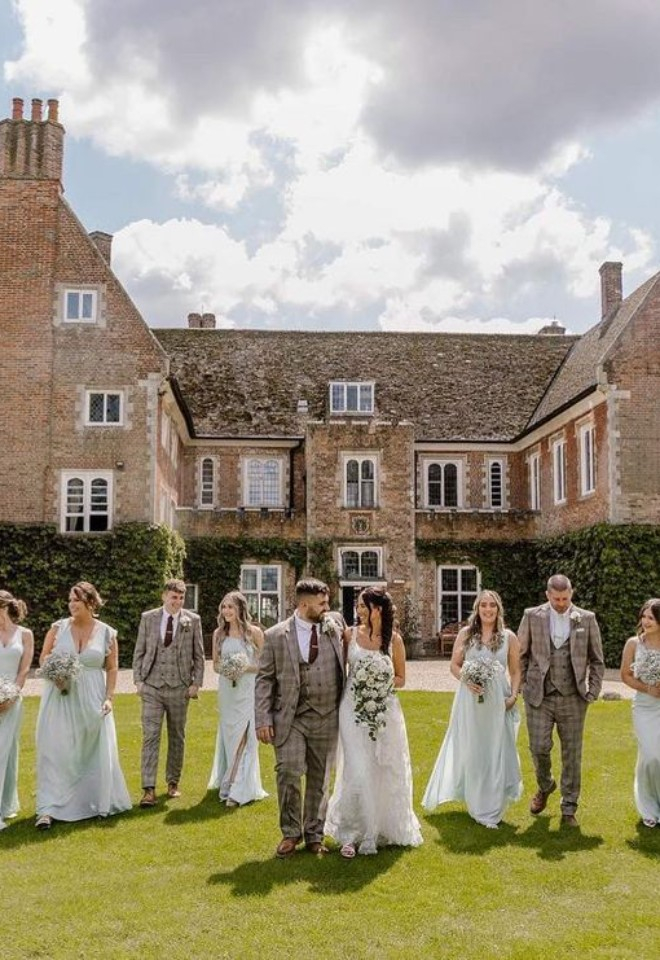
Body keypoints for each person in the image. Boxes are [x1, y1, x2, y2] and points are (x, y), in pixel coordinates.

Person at [325, 586, 423, 857]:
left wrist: (379, 683)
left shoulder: (395, 641)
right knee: (356, 769)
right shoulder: (350, 635)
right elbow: (341, 671)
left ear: (377, 609)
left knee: (381, 768)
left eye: (362, 606)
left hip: (385, 711)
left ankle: (377, 829)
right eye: (357, 606)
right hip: (352, 710)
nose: (357, 611)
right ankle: (349, 833)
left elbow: (401, 679)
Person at [255, 577, 344, 858]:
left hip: (328, 715)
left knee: (320, 778)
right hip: (291, 717)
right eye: (322, 603)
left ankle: (315, 834)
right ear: (304, 604)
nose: (327, 607)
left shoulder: (335, 627)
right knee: (289, 771)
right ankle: (290, 833)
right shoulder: (275, 635)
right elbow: (264, 679)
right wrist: (262, 719)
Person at [422, 589, 522, 829]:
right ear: (477, 609)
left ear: (498, 609)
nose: (488, 609)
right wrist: (466, 679)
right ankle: (477, 802)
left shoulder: (509, 636)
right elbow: (455, 665)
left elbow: (517, 670)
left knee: (496, 748)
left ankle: (493, 806)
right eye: (483, 605)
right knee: (474, 748)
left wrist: (514, 696)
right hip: (470, 701)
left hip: (499, 701)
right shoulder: (466, 634)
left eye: (492, 605)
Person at [35, 581, 131, 829]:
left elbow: (111, 667)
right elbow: (43, 657)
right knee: (56, 750)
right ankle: (47, 808)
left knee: (89, 752)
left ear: (90, 602)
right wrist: (55, 674)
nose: (71, 604)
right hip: (59, 697)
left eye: (76, 600)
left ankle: (91, 801)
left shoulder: (107, 632)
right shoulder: (58, 628)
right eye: (70, 600)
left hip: (92, 697)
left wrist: (109, 698)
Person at [518, 573, 604, 827]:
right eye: (556, 599)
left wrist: (593, 690)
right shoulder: (532, 616)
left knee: (572, 753)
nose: (561, 603)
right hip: (539, 696)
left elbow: (597, 660)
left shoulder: (586, 619)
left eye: (565, 598)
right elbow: (521, 654)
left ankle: (569, 807)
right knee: (539, 747)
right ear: (547, 595)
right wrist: (523, 685)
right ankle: (545, 785)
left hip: (573, 697)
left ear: (571, 594)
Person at [133, 578, 205, 807]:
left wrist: (196, 684)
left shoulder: (192, 621)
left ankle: (173, 782)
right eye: (174, 597)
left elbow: (199, 655)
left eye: (181, 598)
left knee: (177, 736)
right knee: (150, 736)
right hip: (152, 686)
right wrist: (138, 681)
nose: (177, 602)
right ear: (164, 596)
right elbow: (139, 650)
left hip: (180, 687)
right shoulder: (148, 618)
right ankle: (148, 789)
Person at [208, 591, 267, 807]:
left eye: (230, 607)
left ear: (240, 609)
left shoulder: (254, 633)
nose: (226, 612)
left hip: (247, 690)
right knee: (230, 735)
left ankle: (238, 787)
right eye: (224, 607)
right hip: (227, 691)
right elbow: (214, 664)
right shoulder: (218, 634)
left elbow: (265, 666)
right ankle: (230, 778)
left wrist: (244, 668)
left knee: (245, 735)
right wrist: (228, 669)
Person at [620, 598, 660, 827]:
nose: (645, 622)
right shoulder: (633, 644)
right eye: (644, 616)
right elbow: (625, 675)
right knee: (651, 756)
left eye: (651, 618)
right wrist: (648, 688)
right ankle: (648, 808)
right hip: (644, 706)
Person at [0, 590, 33, 830]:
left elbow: (24, 670)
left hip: (13, 698)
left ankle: (4, 805)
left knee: (7, 751)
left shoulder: (25, 634)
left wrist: (12, 694)